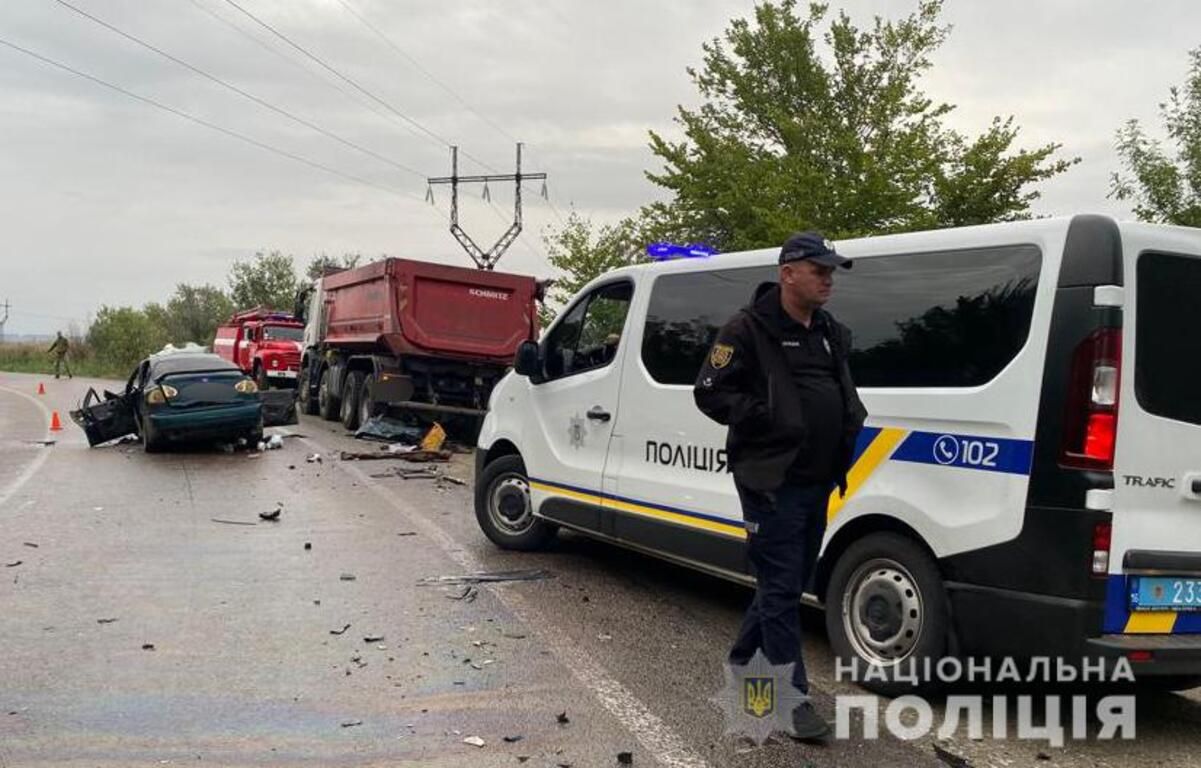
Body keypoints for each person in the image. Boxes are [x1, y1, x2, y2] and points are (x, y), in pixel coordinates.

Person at [694, 231, 866, 741]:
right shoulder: (745, 329)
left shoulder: (828, 329)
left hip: (817, 480)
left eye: (832, 271)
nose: (829, 279)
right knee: (783, 586)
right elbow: (709, 393)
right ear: (788, 272)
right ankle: (788, 705)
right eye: (820, 270)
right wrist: (766, 417)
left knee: (783, 585)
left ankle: (745, 670)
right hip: (771, 482)